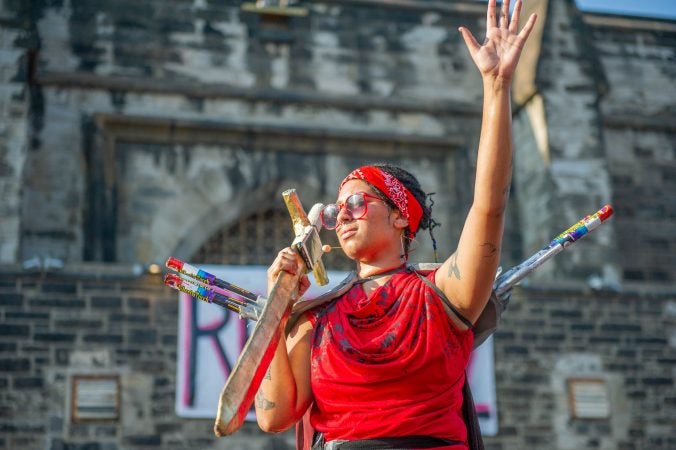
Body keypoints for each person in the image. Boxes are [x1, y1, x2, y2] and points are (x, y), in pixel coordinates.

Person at [255, 1, 537, 448]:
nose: (341, 215)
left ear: (401, 215)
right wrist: (275, 309)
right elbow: (274, 418)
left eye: (357, 203)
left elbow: (489, 204)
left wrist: (497, 88)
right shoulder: (316, 317)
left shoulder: (443, 296)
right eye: (336, 208)